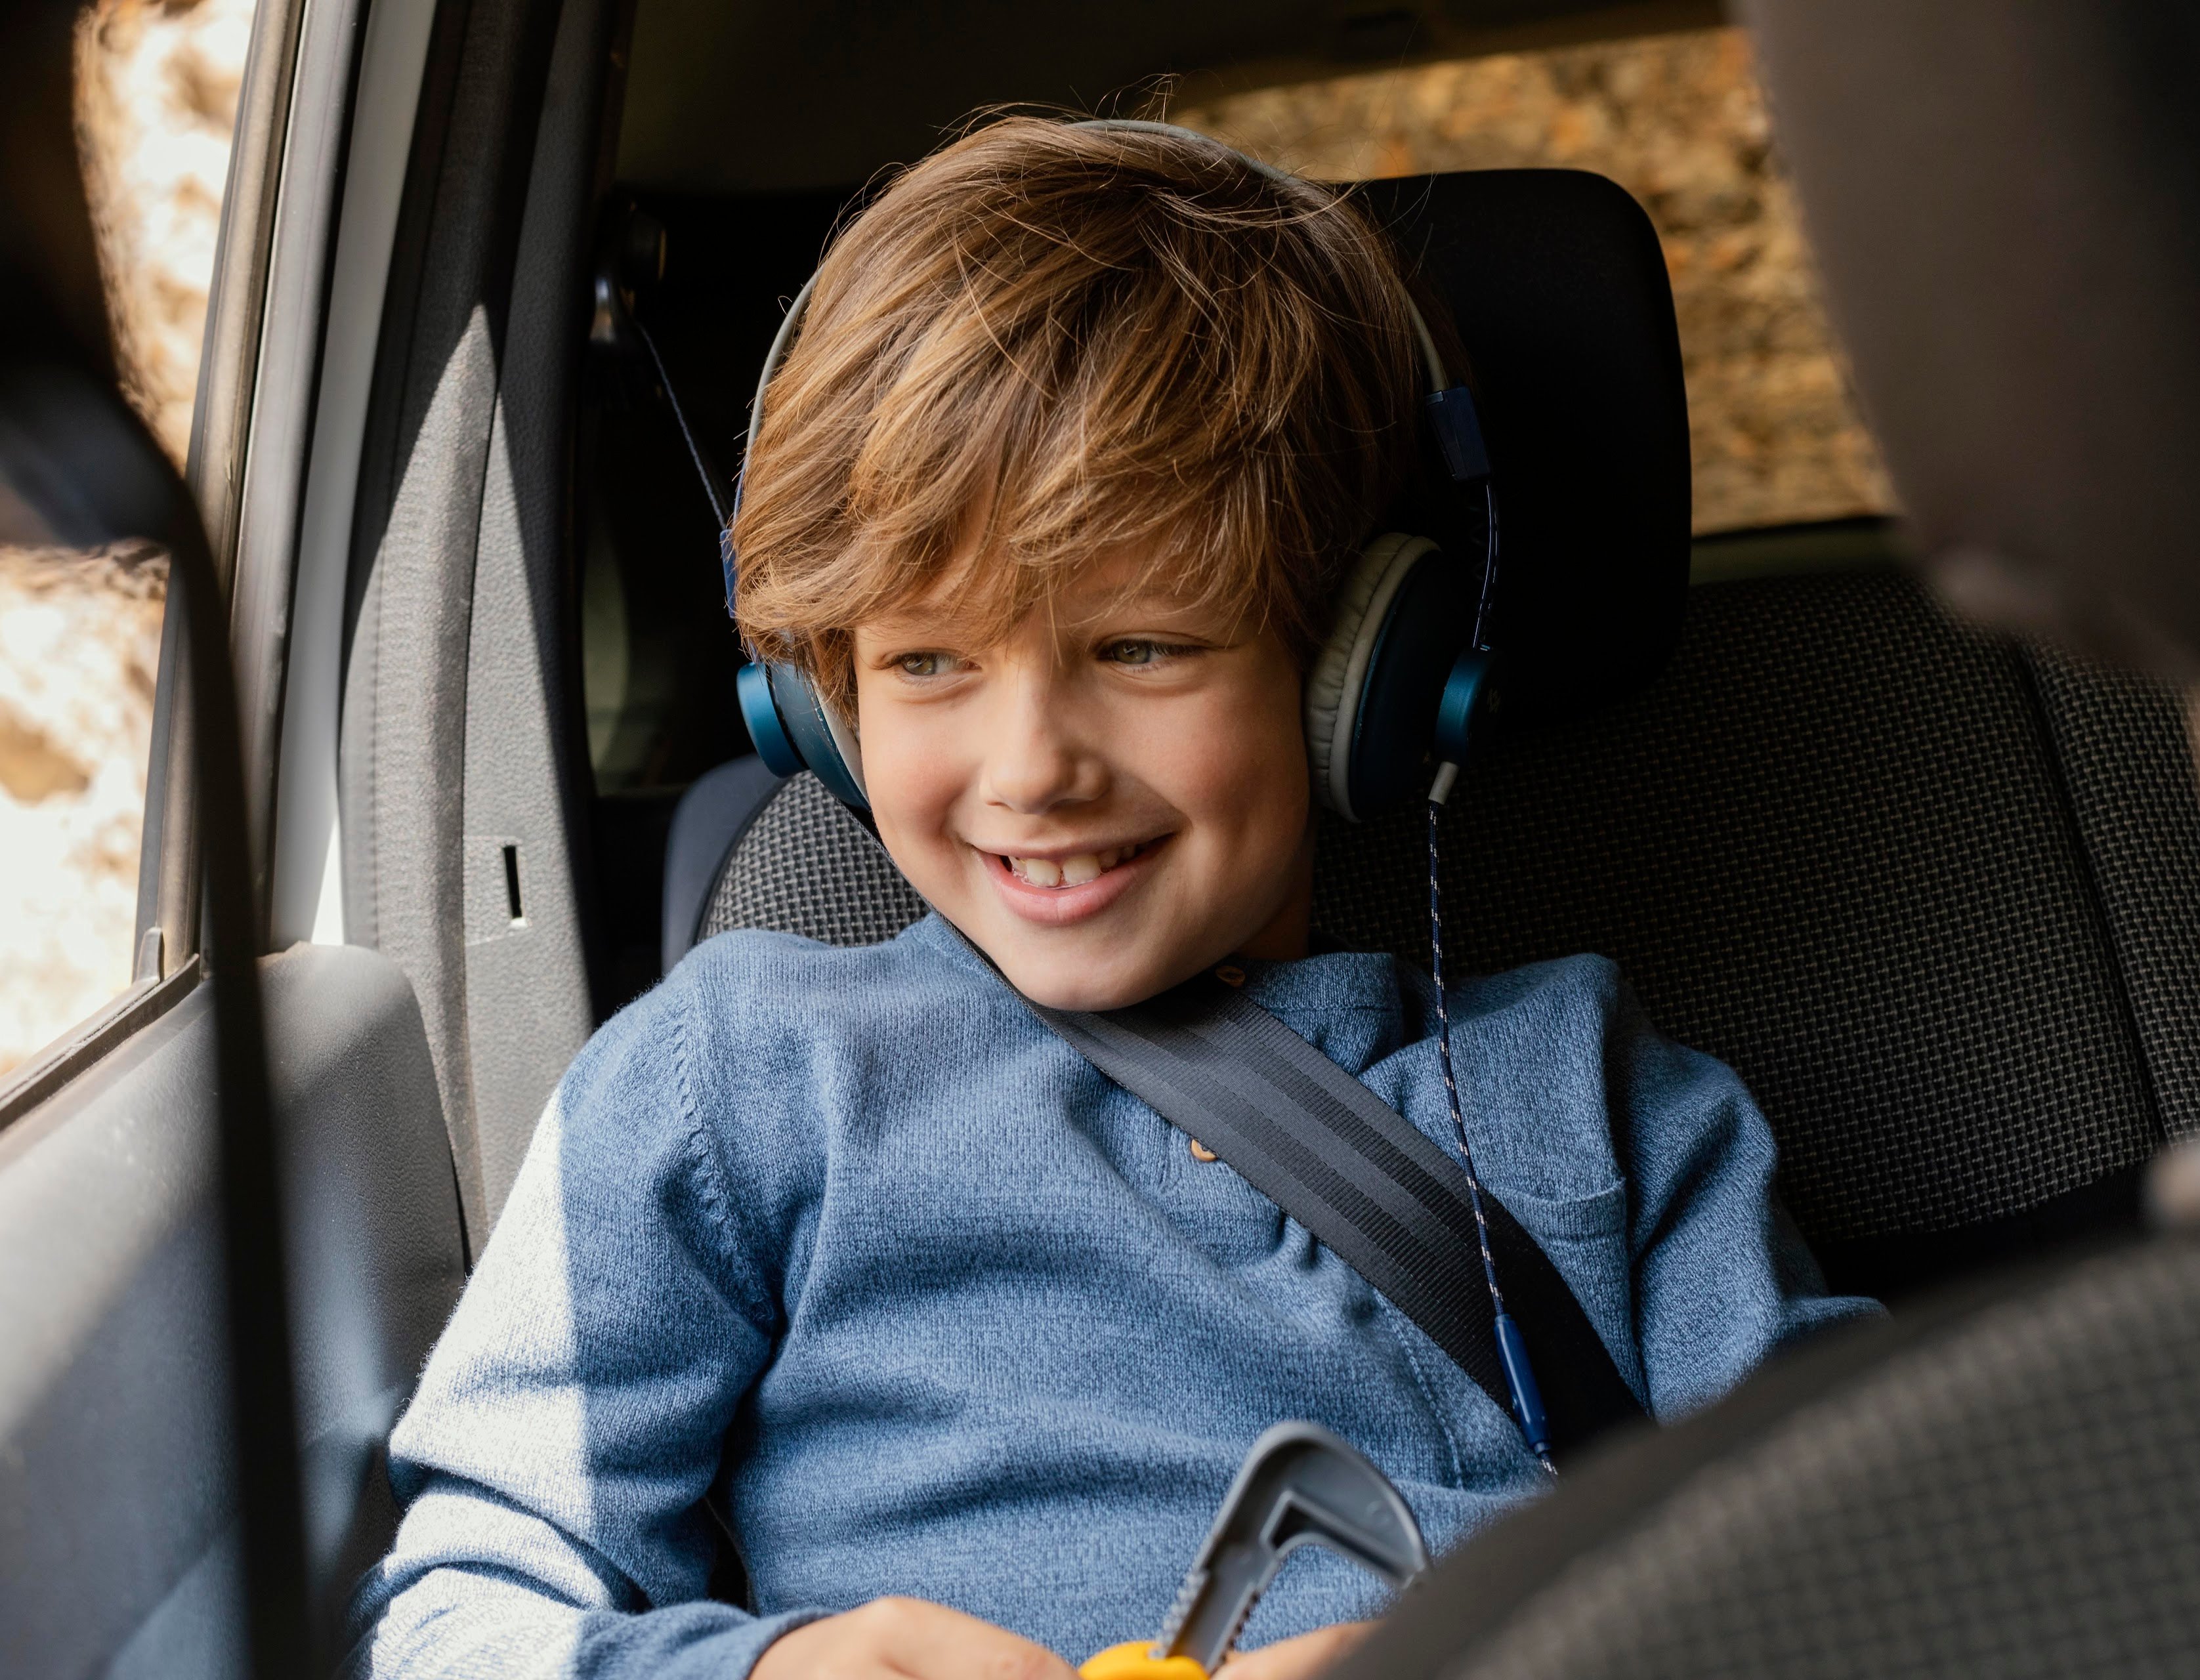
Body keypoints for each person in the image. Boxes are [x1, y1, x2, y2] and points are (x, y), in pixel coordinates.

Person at [350, 116, 1878, 1680]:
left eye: (1142, 646)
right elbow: (460, 1613)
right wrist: (761, 1674)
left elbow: (1905, 1558)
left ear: (1362, 670)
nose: (1033, 769)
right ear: (821, 708)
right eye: (928, 661)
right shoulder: (732, 1080)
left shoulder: (1593, 1092)